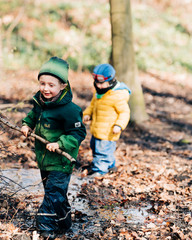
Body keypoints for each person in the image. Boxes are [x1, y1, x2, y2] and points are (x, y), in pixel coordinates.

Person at [20, 56, 86, 238]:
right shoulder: (41, 104)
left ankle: (46, 228)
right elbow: (33, 115)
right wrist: (27, 125)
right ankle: (64, 221)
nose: (45, 89)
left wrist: (60, 143)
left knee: (52, 194)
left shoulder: (70, 110)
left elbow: (78, 133)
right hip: (45, 160)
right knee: (57, 195)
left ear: (63, 86)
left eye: (51, 85)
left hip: (61, 160)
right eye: (42, 83)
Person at [83, 63, 131, 177]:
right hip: (97, 129)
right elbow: (92, 105)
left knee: (102, 151)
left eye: (102, 83)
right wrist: (87, 114)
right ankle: (110, 166)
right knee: (95, 147)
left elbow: (124, 112)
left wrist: (119, 125)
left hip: (108, 131)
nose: (99, 86)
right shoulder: (99, 93)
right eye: (97, 83)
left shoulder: (117, 95)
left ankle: (99, 170)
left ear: (111, 81)